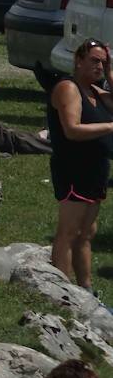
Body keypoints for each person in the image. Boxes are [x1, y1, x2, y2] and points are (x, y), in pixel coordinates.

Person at [45, 39, 113, 290]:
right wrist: (110, 127)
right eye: (94, 61)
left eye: (103, 63)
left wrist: (110, 73)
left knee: (86, 234)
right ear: (78, 61)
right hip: (74, 168)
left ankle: (85, 290)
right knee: (69, 232)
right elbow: (72, 130)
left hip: (95, 170)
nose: (99, 66)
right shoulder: (68, 88)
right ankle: (60, 292)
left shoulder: (95, 93)